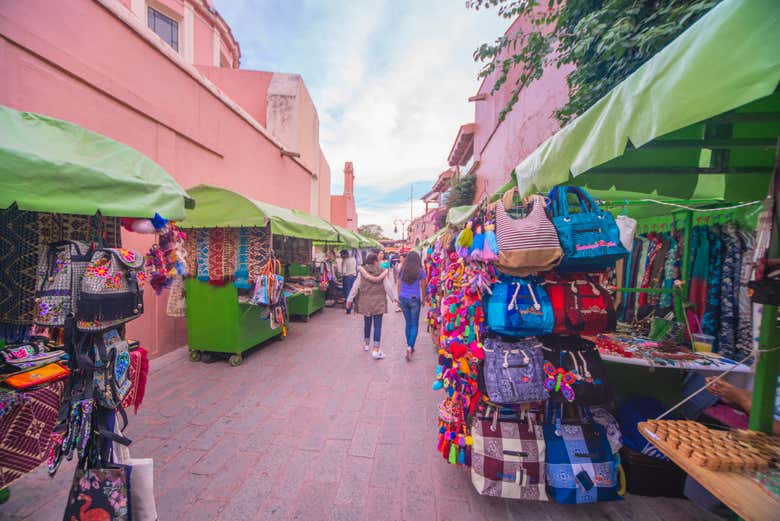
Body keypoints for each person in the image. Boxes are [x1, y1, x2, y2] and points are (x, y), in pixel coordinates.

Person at [346, 253, 398, 359]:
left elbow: (355, 286)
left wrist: (349, 299)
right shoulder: (382, 272)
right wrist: (393, 298)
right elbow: (387, 286)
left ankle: (366, 344)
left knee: (367, 322)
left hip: (365, 302)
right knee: (377, 325)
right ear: (375, 261)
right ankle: (376, 350)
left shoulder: (361, 272)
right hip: (378, 302)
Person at [706, 376, 780, 435]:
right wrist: (725, 392)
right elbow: (757, 403)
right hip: (752, 430)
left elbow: (774, 428)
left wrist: (740, 398)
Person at [397, 251, 425, 361]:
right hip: (414, 299)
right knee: (414, 324)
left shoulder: (402, 270)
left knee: (408, 323)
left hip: (403, 298)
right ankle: (410, 346)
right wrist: (423, 298)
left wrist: (399, 297)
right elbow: (423, 285)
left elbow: (399, 284)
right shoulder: (420, 271)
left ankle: (409, 345)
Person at [338, 249, 358, 314]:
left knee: (347, 294)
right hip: (354, 277)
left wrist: (340, 276)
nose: (341, 256)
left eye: (341, 255)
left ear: (344, 254)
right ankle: (354, 307)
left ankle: (348, 310)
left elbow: (343, 272)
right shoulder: (354, 259)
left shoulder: (344, 261)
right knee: (353, 293)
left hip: (347, 278)